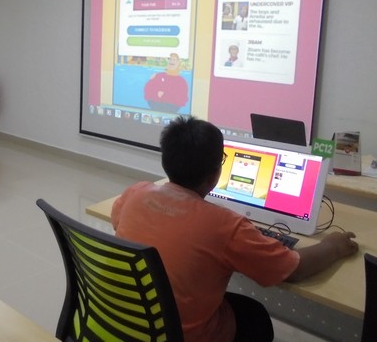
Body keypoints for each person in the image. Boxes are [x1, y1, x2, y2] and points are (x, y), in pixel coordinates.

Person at [111, 116, 358, 342]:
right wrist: (333, 246)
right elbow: (293, 270)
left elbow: (118, 221)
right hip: (180, 335)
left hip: (121, 320)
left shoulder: (136, 192)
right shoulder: (225, 225)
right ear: (214, 175)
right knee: (256, 317)